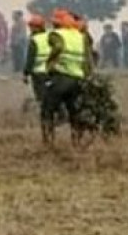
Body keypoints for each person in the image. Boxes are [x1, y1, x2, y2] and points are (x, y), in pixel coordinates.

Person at [42, 9, 93, 145]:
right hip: (77, 79)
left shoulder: (56, 34)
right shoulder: (79, 36)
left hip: (61, 77)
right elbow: (87, 58)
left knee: (48, 109)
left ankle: (48, 141)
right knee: (74, 111)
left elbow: (57, 47)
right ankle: (76, 141)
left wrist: (50, 63)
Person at [23, 14, 53, 107]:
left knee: (40, 97)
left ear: (36, 27)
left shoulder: (34, 40)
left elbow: (30, 58)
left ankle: (45, 116)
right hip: (51, 71)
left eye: (31, 26)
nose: (30, 29)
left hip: (38, 73)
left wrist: (26, 73)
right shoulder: (50, 36)